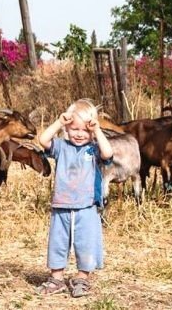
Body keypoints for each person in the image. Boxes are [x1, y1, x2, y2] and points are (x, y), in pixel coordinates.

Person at [36, 98, 113, 298]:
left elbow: (108, 152)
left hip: (86, 207)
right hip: (61, 205)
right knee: (58, 242)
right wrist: (59, 122)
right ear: (67, 129)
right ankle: (57, 278)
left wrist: (97, 131)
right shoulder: (61, 146)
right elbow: (43, 140)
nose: (79, 134)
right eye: (74, 129)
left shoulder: (94, 149)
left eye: (85, 130)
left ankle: (82, 278)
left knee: (85, 243)